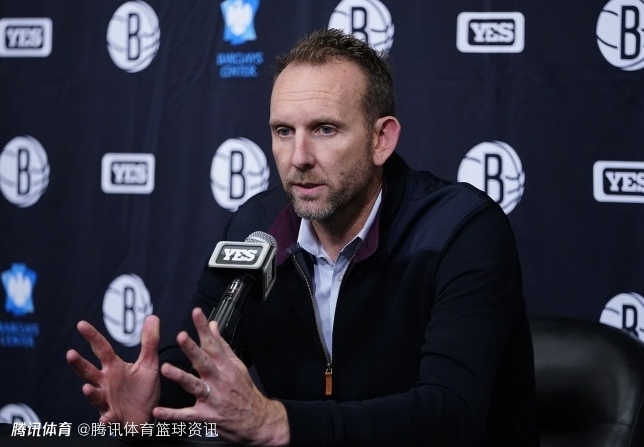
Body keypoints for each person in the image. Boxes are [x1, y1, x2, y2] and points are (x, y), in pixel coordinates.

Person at [67, 28, 539, 446]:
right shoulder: (256, 228)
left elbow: (451, 415)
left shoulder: (460, 229)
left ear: (381, 140)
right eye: (283, 131)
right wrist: (153, 399)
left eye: (325, 129)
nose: (298, 157)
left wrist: (280, 422)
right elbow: (201, 357)